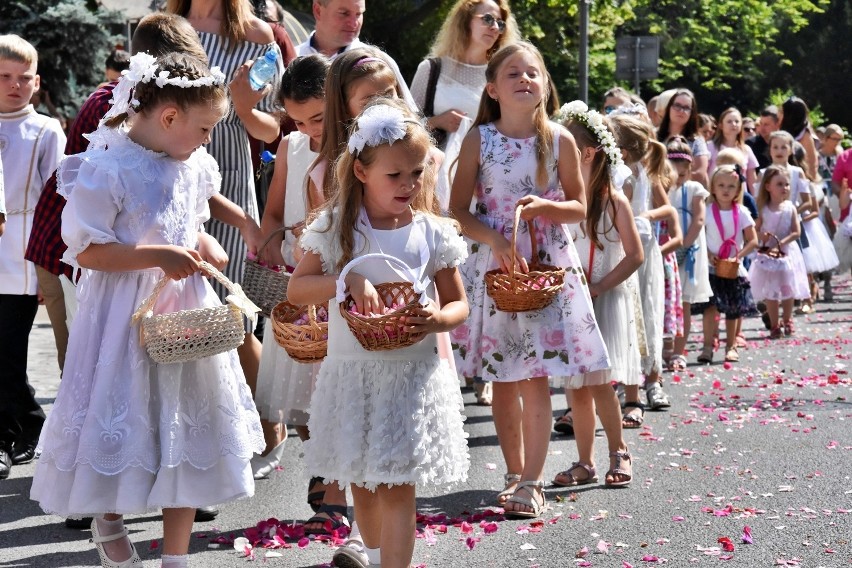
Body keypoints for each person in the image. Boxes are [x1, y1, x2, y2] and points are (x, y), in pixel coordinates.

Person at [30, 52, 265, 568]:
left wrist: (202, 241)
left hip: (186, 317)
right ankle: (108, 516)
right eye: (204, 128)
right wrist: (158, 255)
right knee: (129, 416)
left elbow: (183, 220)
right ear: (169, 118)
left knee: (188, 428)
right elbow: (87, 251)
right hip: (123, 316)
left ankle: (175, 559)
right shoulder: (108, 168)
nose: (208, 140)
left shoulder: (192, 165)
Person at [287, 98, 470, 568]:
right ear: (362, 171)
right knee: (364, 485)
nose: (409, 185)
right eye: (396, 175)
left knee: (396, 485)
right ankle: (369, 554)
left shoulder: (433, 231)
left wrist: (438, 319)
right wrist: (347, 277)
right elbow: (299, 288)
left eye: (416, 173)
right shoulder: (338, 227)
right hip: (355, 374)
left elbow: (458, 304)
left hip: (409, 376)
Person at [450, 43, 609, 517]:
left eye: (533, 73)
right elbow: (458, 210)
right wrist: (494, 240)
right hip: (498, 267)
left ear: (544, 86)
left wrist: (544, 207)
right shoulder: (479, 138)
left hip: (543, 263)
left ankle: (533, 481)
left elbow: (579, 206)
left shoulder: (558, 138)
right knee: (503, 377)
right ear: (493, 89)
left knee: (536, 375)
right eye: (513, 73)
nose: (525, 79)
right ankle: (513, 471)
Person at [167, 0, 284, 467]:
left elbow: (273, 127)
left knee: (229, 311)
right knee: (184, 309)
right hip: (175, 172)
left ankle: (267, 423)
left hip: (229, 174)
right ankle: (199, 430)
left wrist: (240, 105)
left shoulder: (258, 35)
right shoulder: (170, 27)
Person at [552, 101, 638, 489]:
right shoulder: (561, 198)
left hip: (602, 299)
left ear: (586, 154)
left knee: (600, 383)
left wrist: (601, 285)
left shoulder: (613, 200)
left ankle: (619, 450)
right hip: (571, 303)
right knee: (576, 387)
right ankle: (584, 460)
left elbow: (635, 254)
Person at [253, 55, 329, 483]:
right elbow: (274, 210)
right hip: (295, 278)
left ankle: (331, 478)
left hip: (329, 273)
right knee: (300, 381)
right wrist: (271, 247)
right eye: (298, 121)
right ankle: (321, 471)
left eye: (317, 118)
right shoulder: (290, 147)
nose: (308, 130)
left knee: (329, 381)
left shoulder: (349, 148)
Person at [0, 34, 66, 481]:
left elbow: (58, 195)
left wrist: (50, 269)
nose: (14, 86)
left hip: (23, 255)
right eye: (4, 77)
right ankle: (22, 429)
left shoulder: (46, 129)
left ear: (37, 81)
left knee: (8, 349)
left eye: (24, 78)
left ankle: (21, 429)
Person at [410, 0, 519, 213]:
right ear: (465, 21)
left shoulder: (501, 76)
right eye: (487, 19)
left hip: (486, 178)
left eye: (500, 23)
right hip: (435, 176)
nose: (495, 27)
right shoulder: (432, 69)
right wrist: (438, 121)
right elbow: (406, 126)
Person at [609, 112, 678, 414]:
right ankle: (628, 383)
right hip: (623, 248)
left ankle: (652, 380)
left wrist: (647, 215)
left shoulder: (645, 173)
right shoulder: (613, 171)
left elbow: (666, 209)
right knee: (625, 313)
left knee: (646, 311)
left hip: (641, 250)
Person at [692, 165, 758, 364]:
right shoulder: (708, 211)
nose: (726, 190)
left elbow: (753, 240)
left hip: (733, 269)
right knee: (710, 309)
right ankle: (707, 347)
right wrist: (709, 254)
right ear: (712, 187)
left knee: (732, 310)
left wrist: (739, 256)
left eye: (731, 186)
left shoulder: (743, 212)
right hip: (712, 268)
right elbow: (700, 235)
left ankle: (731, 346)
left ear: (738, 190)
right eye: (721, 185)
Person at [768, 130, 838, 313]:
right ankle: (776, 301)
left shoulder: (796, 172)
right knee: (773, 261)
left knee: (802, 261)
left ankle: (808, 297)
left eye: (784, 147)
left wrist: (792, 211)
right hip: (773, 223)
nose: (779, 150)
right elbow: (761, 199)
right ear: (769, 150)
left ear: (791, 150)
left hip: (794, 223)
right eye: (775, 146)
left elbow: (807, 201)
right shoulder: (766, 172)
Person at [748, 165, 810, 338]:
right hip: (769, 254)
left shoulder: (790, 207)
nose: (785, 188)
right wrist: (764, 237)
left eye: (787, 184)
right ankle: (775, 325)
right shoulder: (763, 209)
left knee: (788, 288)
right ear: (768, 186)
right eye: (780, 184)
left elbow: (796, 232)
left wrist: (781, 242)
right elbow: (755, 230)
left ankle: (788, 319)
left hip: (788, 253)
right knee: (771, 291)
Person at [667, 136, 713, 364]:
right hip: (666, 247)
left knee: (683, 301)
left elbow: (699, 218)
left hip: (689, 248)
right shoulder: (661, 189)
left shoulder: (694, 188)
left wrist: (684, 244)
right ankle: (665, 347)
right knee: (665, 299)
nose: (676, 178)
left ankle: (678, 351)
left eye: (681, 174)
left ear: (689, 169)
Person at [657, 89, 710, 187]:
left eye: (686, 108)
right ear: (669, 107)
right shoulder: (655, 135)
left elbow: (699, 174)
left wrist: (672, 179)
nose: (681, 111)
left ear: (692, 113)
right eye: (677, 105)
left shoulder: (696, 141)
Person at [707, 107, 759, 194]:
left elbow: (752, 181)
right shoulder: (710, 146)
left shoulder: (746, 150)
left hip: (740, 198)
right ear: (721, 125)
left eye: (737, 121)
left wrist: (756, 201)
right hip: (715, 197)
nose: (734, 124)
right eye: (729, 121)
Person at [779, 96, 819, 182]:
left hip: (801, 182)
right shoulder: (783, 132)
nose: (778, 114)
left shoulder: (805, 136)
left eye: (782, 112)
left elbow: (811, 165)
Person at [746, 105, 779, 172]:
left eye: (766, 124)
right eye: (761, 123)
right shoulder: (750, 145)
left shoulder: (784, 144)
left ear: (777, 125)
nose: (762, 128)